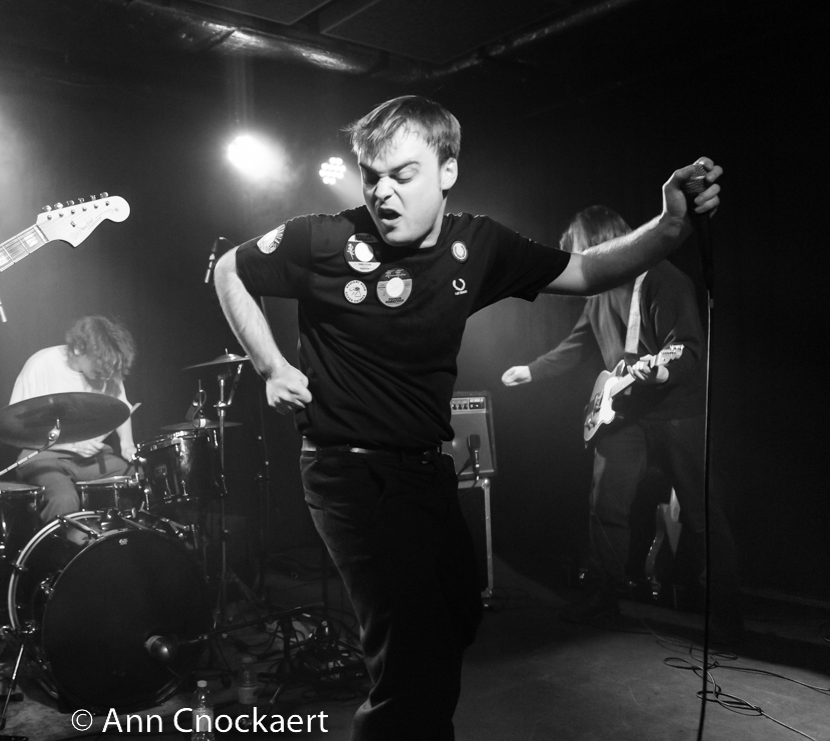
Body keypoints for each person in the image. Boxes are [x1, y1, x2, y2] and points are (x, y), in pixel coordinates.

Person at [213, 95, 721, 741]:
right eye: (371, 177)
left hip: (426, 473)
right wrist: (269, 365)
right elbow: (230, 269)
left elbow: (588, 269)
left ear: (447, 170)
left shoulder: (476, 245)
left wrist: (672, 226)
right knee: (411, 655)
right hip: (347, 473)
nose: (382, 193)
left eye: (403, 175)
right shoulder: (323, 237)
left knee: (457, 614)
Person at [501, 205, 741, 634]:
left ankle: (724, 610)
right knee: (605, 504)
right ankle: (605, 594)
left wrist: (662, 371)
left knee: (701, 509)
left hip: (676, 412)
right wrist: (533, 370)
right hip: (625, 412)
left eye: (580, 252)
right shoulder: (599, 293)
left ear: (601, 243)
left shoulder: (664, 280)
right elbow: (577, 345)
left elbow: (686, 347)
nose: (579, 265)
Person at [7, 315, 137, 520]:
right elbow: (18, 428)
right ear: (78, 349)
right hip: (43, 458)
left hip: (91, 460)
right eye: (99, 367)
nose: (105, 375)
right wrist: (72, 445)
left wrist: (127, 444)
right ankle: (60, 541)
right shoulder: (40, 364)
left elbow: (121, 408)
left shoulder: (107, 366)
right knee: (64, 499)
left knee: (137, 479)